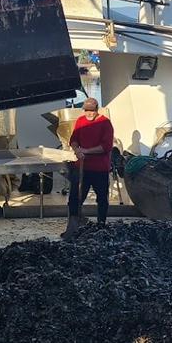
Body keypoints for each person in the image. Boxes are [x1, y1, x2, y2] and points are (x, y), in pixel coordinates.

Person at [64, 98, 114, 238]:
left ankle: (101, 224)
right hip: (82, 168)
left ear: (97, 110)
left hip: (100, 169)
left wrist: (85, 151)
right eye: (86, 110)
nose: (89, 113)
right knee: (75, 197)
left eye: (92, 111)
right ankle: (73, 226)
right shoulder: (80, 121)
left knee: (102, 199)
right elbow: (73, 140)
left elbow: (106, 147)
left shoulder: (105, 123)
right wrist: (77, 150)